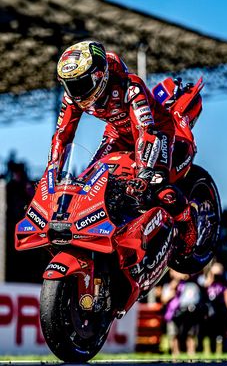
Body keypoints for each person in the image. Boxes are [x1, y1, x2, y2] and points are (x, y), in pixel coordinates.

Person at [49, 39, 197, 255]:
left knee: (158, 186)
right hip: (117, 133)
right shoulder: (73, 98)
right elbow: (62, 135)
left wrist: (144, 173)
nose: (76, 92)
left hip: (157, 130)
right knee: (89, 181)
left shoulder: (130, 87)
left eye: (80, 84)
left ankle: (187, 222)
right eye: (70, 85)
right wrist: (50, 174)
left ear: (99, 75)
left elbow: (144, 129)